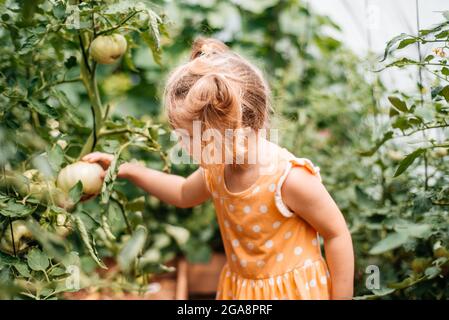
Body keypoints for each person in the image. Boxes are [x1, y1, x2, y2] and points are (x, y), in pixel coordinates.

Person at [83, 37, 354, 300]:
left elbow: (336, 234)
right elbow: (181, 193)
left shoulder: (289, 179)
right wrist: (127, 169)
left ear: (232, 131)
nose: (182, 146)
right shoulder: (218, 168)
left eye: (191, 138)